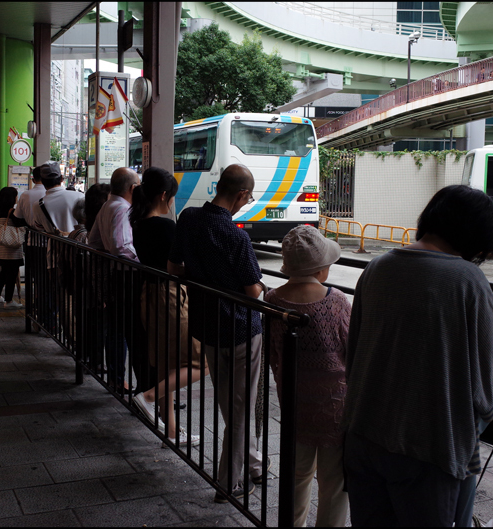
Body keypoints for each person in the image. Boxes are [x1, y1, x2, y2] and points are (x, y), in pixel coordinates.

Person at [342, 185, 493, 527]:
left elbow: (353, 351)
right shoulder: (467, 280)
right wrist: (476, 422)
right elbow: (492, 369)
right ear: (473, 237)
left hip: (363, 437)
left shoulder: (376, 268)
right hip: (429, 448)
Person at [168, 163, 265, 503]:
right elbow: (253, 292)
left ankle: (252, 463)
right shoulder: (236, 236)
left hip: (206, 323)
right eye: (248, 197)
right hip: (241, 329)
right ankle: (229, 482)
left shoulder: (189, 218)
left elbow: (174, 267)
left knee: (233, 401)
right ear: (240, 195)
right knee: (240, 407)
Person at [265, 225, 350, 527]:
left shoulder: (273, 299)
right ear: (321, 269)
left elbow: (274, 352)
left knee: (297, 475)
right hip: (334, 409)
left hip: (294, 403)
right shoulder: (336, 300)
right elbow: (351, 350)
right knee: (334, 483)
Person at [130, 167, 209, 449]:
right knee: (203, 362)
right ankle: (148, 397)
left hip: (148, 295)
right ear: (164, 195)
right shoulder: (165, 226)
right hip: (171, 296)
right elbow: (181, 264)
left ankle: (172, 433)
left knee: (165, 364)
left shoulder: (138, 223)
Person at [88, 167, 154, 394]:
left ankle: (116, 378)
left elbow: (93, 240)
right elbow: (120, 246)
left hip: (114, 276)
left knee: (116, 330)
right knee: (130, 332)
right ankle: (137, 385)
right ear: (133, 188)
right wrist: (142, 260)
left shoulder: (107, 206)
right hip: (127, 277)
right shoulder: (123, 210)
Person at [31, 162, 85, 338]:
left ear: (42, 181)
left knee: (64, 299)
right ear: (61, 179)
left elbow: (38, 226)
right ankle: (85, 338)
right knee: (83, 298)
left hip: (56, 258)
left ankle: (72, 338)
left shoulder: (38, 205)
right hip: (82, 254)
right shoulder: (78, 196)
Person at [0, 187, 25, 309]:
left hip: (3, 247)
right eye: (16, 195)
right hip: (13, 248)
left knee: (4, 273)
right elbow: (21, 223)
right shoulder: (12, 211)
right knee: (11, 274)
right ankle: (9, 300)